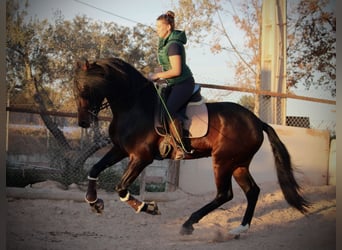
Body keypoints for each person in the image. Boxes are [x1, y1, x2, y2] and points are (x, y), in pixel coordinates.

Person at [149, 11, 195, 160]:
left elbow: (176, 70)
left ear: (168, 27)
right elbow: (167, 68)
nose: (157, 30)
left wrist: (157, 76)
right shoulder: (166, 44)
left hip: (183, 84)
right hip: (174, 84)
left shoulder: (173, 45)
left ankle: (180, 147)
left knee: (169, 110)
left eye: (159, 27)